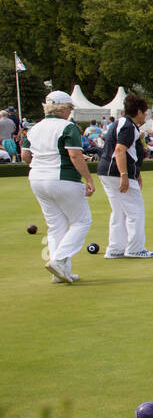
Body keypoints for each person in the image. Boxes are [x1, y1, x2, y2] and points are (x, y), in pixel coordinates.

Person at [21, 90, 96, 283]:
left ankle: (62, 272)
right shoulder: (68, 127)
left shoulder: (33, 128)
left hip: (37, 179)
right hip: (63, 178)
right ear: (62, 108)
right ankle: (59, 261)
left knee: (56, 226)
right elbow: (75, 155)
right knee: (82, 221)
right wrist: (88, 179)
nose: (70, 112)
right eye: (70, 108)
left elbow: (25, 157)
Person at [97, 93, 153, 259]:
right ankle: (135, 248)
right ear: (138, 111)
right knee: (135, 211)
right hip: (117, 173)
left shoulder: (122, 123)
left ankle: (115, 248)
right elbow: (120, 150)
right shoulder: (128, 126)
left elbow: (130, 154)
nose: (146, 116)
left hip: (108, 172)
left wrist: (136, 174)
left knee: (119, 211)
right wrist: (124, 175)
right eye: (145, 112)